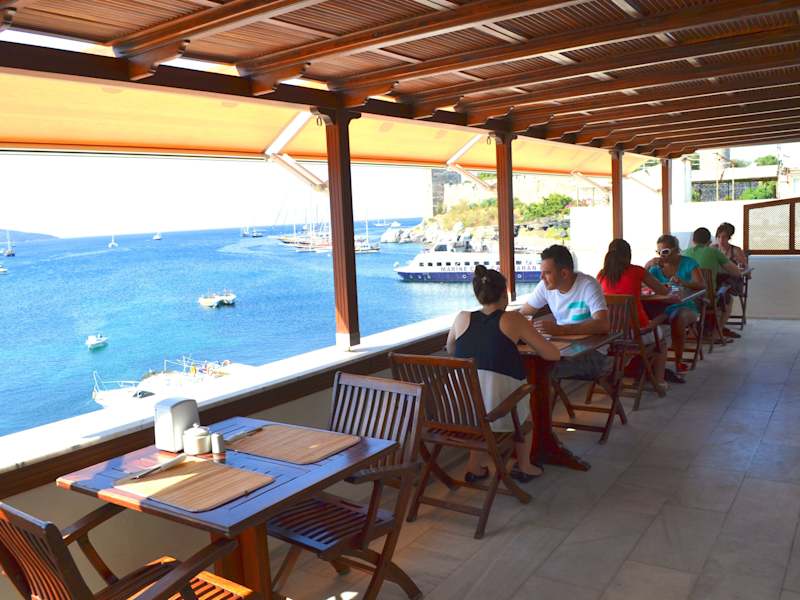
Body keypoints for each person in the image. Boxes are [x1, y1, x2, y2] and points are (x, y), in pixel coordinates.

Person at [447, 265, 560, 483]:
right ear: (504, 294)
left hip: (461, 412)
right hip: (500, 413)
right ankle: (525, 466)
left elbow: (451, 349)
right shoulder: (512, 320)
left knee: (479, 396)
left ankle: (474, 466)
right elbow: (551, 354)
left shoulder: (461, 318)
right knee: (523, 402)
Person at [520, 244, 612, 381]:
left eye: (547, 273)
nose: (541, 277)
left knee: (542, 369)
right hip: (563, 349)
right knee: (528, 364)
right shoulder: (544, 287)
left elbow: (603, 324)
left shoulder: (588, 285)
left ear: (564, 273)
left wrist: (560, 330)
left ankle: (542, 395)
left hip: (593, 354)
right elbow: (522, 314)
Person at [597, 239, 670, 392]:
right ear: (628, 255)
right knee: (661, 339)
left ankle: (621, 373)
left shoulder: (601, 275)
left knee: (637, 338)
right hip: (635, 334)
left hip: (609, 336)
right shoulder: (637, 271)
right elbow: (663, 291)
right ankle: (659, 381)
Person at [648, 234, 704, 374]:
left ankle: (679, 361)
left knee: (677, 317)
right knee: (643, 317)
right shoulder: (656, 268)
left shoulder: (689, 263)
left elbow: (701, 285)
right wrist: (648, 264)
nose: (662, 255)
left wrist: (683, 282)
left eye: (665, 251)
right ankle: (647, 360)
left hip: (686, 305)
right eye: (659, 252)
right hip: (661, 306)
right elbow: (642, 284)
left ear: (676, 250)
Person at [684, 227, 743, 337]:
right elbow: (736, 272)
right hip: (707, 299)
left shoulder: (683, 253)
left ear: (693, 240)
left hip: (685, 298)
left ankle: (693, 332)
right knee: (728, 299)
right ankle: (716, 333)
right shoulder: (714, 252)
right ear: (709, 241)